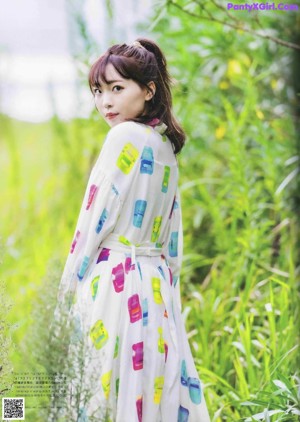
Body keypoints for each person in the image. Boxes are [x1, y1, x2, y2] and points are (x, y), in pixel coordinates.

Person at [58, 38, 210, 422]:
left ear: (148, 90)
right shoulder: (163, 147)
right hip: (154, 287)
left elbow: (91, 223)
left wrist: (65, 294)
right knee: (147, 393)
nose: (105, 101)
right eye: (98, 90)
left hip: (115, 282)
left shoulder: (122, 138)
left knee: (102, 394)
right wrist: (169, 295)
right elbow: (172, 237)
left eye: (116, 88)